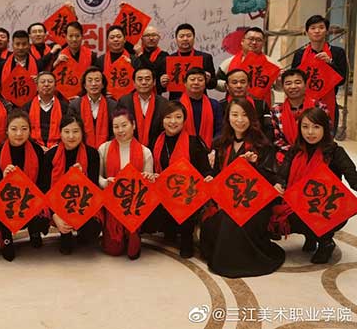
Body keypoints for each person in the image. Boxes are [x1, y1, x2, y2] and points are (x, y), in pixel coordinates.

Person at [200, 98, 285, 278]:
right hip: (226, 200)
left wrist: (254, 166)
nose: (239, 120)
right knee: (214, 222)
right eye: (235, 115)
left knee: (232, 221)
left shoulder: (262, 145)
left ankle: (233, 263)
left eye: (244, 115)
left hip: (253, 203)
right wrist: (211, 177)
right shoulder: (220, 143)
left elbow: (270, 180)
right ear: (228, 117)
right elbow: (216, 173)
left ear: (252, 118)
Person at [270, 107, 357, 263]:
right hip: (302, 204)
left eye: (316, 127)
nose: (310, 132)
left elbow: (353, 178)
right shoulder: (295, 150)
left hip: (328, 209)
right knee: (280, 212)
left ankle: (326, 242)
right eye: (305, 127)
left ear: (325, 128)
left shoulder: (335, 152)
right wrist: (279, 184)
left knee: (302, 214)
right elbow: (282, 175)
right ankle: (310, 235)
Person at [143, 101, 213, 258]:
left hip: (188, 193)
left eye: (178, 117)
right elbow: (151, 170)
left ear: (184, 120)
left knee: (184, 200)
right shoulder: (155, 141)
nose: (173, 121)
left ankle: (186, 238)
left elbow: (206, 170)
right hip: (163, 190)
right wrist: (153, 176)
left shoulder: (194, 142)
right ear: (162, 120)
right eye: (168, 117)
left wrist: (208, 176)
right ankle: (169, 229)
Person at [0, 109, 50, 261]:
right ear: (6, 130)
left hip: (30, 199)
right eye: (14, 129)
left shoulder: (37, 150)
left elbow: (43, 183)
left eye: (24, 129)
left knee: (43, 214)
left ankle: (34, 230)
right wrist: (4, 179)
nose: (19, 134)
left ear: (30, 130)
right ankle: (6, 237)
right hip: (7, 201)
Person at [98, 108, 154, 260]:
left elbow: (149, 185)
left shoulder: (145, 152)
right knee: (114, 250)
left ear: (133, 125)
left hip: (134, 204)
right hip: (111, 202)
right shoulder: (104, 148)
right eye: (116, 127)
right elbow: (98, 177)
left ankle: (134, 233)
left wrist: (148, 178)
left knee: (132, 251)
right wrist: (105, 182)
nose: (120, 130)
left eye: (124, 125)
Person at [44, 113, 102, 254]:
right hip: (57, 204)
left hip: (82, 203)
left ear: (82, 133)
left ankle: (80, 229)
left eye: (76, 131)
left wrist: (82, 178)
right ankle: (65, 233)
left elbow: (93, 189)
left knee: (91, 230)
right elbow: (45, 190)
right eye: (67, 131)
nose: (71, 136)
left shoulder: (92, 154)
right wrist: (55, 215)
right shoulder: (51, 155)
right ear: (60, 133)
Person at [291, 15, 347, 131]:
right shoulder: (300, 54)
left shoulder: (337, 52)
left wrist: (330, 62)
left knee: (327, 137)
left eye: (321, 27)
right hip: (303, 104)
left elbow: (342, 80)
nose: (317, 31)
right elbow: (293, 80)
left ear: (327, 31)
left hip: (329, 104)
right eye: (313, 28)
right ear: (307, 32)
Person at [270, 69, 327, 155]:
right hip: (287, 156)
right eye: (288, 83)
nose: (293, 86)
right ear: (283, 87)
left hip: (317, 155)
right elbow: (277, 140)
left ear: (305, 85)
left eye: (297, 82)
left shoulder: (319, 107)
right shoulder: (276, 110)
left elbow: (327, 134)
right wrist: (296, 155)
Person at [216, 27, 280, 103]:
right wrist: (229, 85)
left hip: (262, 105)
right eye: (251, 39)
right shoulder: (229, 62)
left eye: (258, 40)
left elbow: (279, 88)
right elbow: (217, 82)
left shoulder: (272, 63)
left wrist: (280, 81)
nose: (254, 42)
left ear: (263, 43)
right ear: (242, 41)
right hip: (234, 105)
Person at [159, 23, 216, 99]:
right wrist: (163, 84)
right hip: (176, 101)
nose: (185, 39)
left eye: (188, 36)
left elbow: (213, 84)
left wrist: (208, 80)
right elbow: (160, 88)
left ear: (194, 38)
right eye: (181, 36)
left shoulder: (205, 58)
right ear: (176, 39)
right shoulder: (167, 60)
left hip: (199, 100)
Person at [118, 66, 168, 149]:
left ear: (154, 82)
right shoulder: (124, 102)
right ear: (134, 83)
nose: (144, 82)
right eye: (140, 79)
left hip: (157, 148)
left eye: (147, 79)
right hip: (129, 147)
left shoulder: (163, 103)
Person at [69, 67, 117, 149]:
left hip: (108, 148)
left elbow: (115, 129)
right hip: (81, 148)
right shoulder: (75, 105)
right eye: (90, 80)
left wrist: (107, 147)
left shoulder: (113, 105)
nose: (94, 84)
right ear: (84, 85)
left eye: (97, 80)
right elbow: (72, 129)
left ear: (103, 85)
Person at [219, 68, 273, 139]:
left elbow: (269, 130)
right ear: (227, 86)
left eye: (243, 82)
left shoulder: (261, 104)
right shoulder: (220, 106)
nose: (239, 86)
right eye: (234, 82)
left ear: (248, 84)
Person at [23, 71, 69, 150]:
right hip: (33, 148)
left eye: (50, 82)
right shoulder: (27, 107)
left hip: (60, 148)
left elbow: (68, 129)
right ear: (36, 87)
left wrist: (56, 146)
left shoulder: (65, 107)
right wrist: (38, 147)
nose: (46, 84)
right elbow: (24, 130)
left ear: (55, 86)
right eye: (42, 82)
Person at [179, 67, 222, 149]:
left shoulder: (215, 105)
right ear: (185, 83)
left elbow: (219, 130)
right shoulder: (177, 105)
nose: (196, 82)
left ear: (205, 83)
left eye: (200, 80)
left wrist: (213, 149)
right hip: (182, 149)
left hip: (209, 150)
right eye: (192, 79)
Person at [132, 25, 168, 91]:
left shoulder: (164, 55)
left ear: (159, 38)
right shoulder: (135, 56)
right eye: (147, 35)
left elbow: (153, 72)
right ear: (142, 38)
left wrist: (141, 55)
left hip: (157, 93)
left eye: (154, 35)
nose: (151, 38)